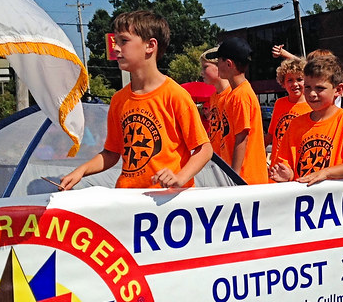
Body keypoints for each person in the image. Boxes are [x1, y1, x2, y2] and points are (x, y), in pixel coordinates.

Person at [61, 11, 212, 190]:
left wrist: (180, 177)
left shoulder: (175, 95)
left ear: (150, 45)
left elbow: (204, 149)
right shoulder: (118, 99)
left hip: (169, 201)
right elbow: (111, 153)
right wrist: (81, 171)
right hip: (129, 200)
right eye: (115, 41)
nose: (115, 48)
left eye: (123, 41)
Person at [268, 54, 343, 186]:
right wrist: (288, 174)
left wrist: (325, 173)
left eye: (319, 88)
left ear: (338, 90)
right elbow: (286, 164)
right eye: (308, 87)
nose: (312, 94)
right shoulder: (295, 124)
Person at [207, 37, 268, 185]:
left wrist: (233, 178)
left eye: (218, 61)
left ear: (229, 64)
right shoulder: (234, 94)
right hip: (240, 177)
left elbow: (242, 138)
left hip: (246, 179)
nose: (217, 65)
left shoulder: (241, 95)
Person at [267, 57, 310, 151]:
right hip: (276, 162)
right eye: (290, 80)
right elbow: (271, 133)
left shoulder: (312, 106)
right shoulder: (279, 103)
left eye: (299, 79)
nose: (295, 84)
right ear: (283, 83)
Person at [200, 46, 231, 155]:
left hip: (233, 168)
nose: (201, 73)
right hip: (218, 163)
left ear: (219, 66)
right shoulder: (213, 97)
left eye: (205, 67)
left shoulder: (233, 95)